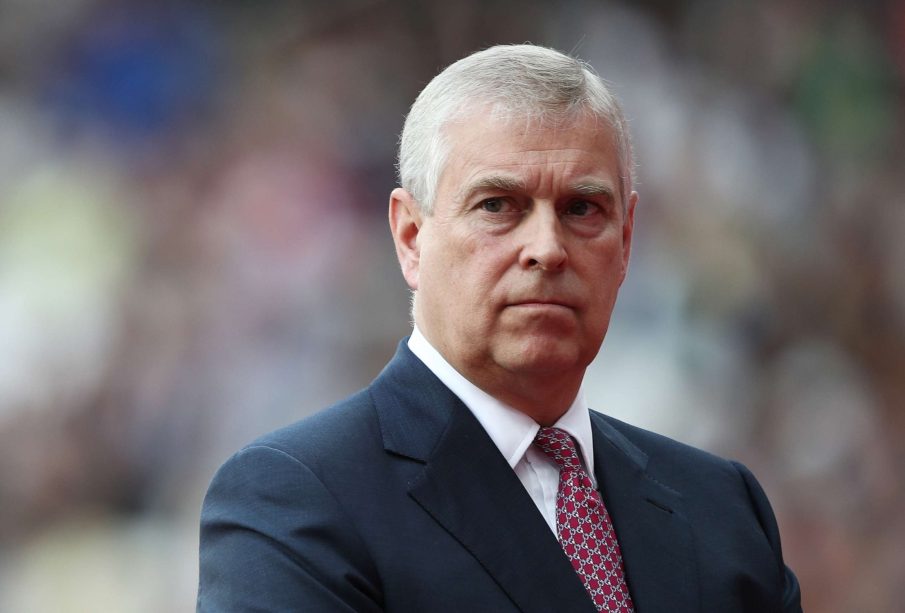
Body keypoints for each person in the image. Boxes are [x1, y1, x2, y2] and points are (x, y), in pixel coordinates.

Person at [197, 44, 802, 612]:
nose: (547, 248)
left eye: (582, 208)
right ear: (411, 237)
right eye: (497, 206)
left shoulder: (723, 507)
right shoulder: (296, 499)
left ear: (626, 240)